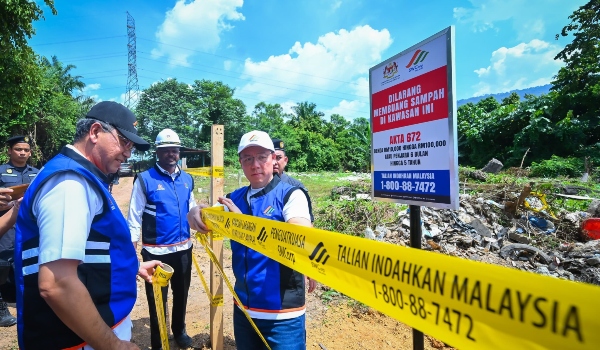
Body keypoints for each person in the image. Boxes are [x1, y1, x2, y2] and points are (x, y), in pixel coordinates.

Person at [14, 101, 162, 350]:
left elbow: (89, 247)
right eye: (124, 142)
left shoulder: (82, 178)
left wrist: (129, 266)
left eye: (132, 147)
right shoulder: (70, 184)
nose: (128, 153)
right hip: (77, 340)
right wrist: (113, 345)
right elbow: (57, 284)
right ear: (95, 132)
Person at [187, 130, 315, 350]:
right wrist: (195, 212)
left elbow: (301, 239)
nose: (255, 164)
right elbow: (202, 218)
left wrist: (244, 225)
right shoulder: (234, 199)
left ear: (273, 159)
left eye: (262, 157)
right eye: (248, 159)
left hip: (283, 314)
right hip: (244, 309)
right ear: (241, 163)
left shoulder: (291, 195)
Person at [127, 128, 195, 350]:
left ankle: (179, 330)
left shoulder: (187, 179)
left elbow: (191, 208)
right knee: (158, 300)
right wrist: (132, 245)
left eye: (174, 150)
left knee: (182, 293)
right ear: (158, 152)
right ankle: (159, 341)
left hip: (184, 249)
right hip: (156, 253)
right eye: (166, 150)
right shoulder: (145, 179)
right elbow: (134, 215)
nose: (171, 154)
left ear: (179, 152)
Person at [0, 135, 39, 326]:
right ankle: (1, 306)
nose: (22, 152)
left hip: (29, 226)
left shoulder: (37, 173)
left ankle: (26, 300)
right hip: (6, 226)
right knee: (2, 264)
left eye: (26, 150)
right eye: (18, 149)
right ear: (9, 151)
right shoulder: (1, 172)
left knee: (27, 263)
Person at [271, 138, 314, 222]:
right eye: (272, 158)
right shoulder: (259, 185)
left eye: (278, 158)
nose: (274, 162)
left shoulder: (296, 187)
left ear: (285, 160)